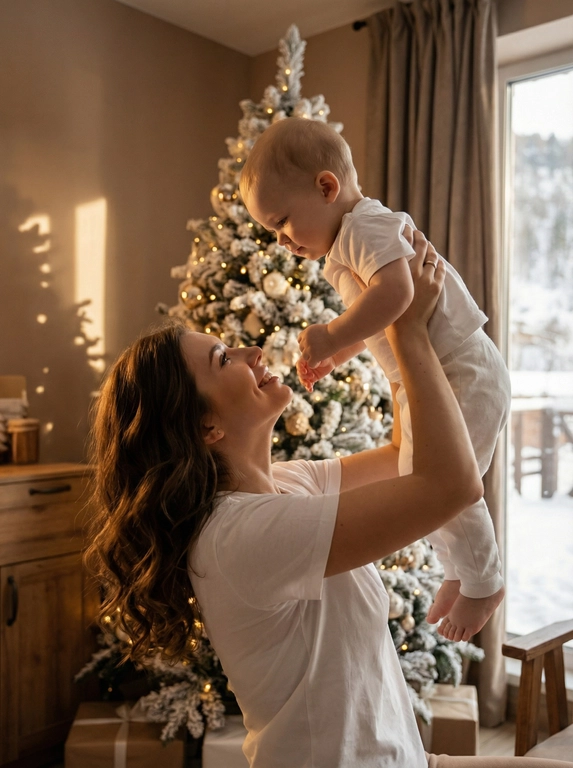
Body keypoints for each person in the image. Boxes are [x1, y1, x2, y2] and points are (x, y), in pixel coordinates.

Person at [85, 232, 572, 768]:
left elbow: (401, 454)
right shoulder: (236, 534)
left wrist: (383, 328)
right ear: (204, 426)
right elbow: (451, 483)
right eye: (224, 358)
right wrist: (409, 331)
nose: (252, 351)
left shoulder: (292, 484)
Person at [239, 117, 510, 643]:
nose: (281, 242)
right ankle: (461, 569)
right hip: (431, 376)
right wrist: (341, 351)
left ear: (325, 187)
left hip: (461, 370)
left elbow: (396, 296)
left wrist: (332, 333)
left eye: (283, 222)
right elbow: (383, 314)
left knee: (444, 481)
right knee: (417, 480)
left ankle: (485, 581)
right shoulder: (344, 245)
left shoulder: (366, 226)